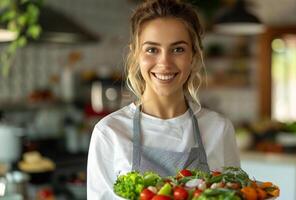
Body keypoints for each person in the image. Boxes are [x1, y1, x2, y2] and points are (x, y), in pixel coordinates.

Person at [87, 0, 240, 199]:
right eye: (152, 49)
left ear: (193, 56)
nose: (165, 63)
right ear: (135, 54)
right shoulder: (109, 132)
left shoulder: (218, 129)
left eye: (178, 49)